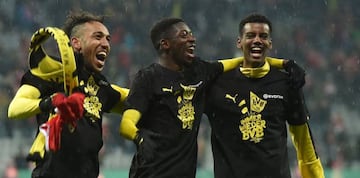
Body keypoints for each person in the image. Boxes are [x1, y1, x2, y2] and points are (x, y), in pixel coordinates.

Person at [118, 17, 303, 178]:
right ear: (165, 44)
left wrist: (284, 63)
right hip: (150, 173)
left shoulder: (199, 72)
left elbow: (240, 61)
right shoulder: (147, 77)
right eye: (184, 35)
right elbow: (127, 124)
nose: (192, 39)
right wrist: (139, 138)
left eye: (191, 34)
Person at [7, 10, 128, 178]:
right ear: (76, 43)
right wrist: (51, 102)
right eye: (98, 37)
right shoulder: (50, 72)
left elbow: (137, 99)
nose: (106, 44)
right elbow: (15, 109)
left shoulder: (102, 87)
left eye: (108, 39)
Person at [204, 13, 325, 178]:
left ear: (270, 43)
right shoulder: (217, 85)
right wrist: (284, 62)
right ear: (239, 42)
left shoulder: (287, 83)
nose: (257, 40)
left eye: (263, 36)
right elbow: (192, 73)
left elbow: (304, 142)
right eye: (250, 36)